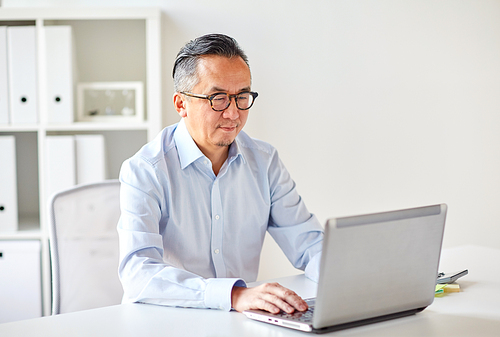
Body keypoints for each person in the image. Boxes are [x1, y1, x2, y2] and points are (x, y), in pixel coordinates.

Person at [117, 34, 323, 314]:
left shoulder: (265, 161)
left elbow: (309, 243)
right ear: (181, 104)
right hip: (167, 320)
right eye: (218, 98)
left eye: (241, 97)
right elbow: (138, 273)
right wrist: (234, 295)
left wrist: (347, 277)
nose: (233, 113)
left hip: (240, 322)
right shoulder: (145, 170)